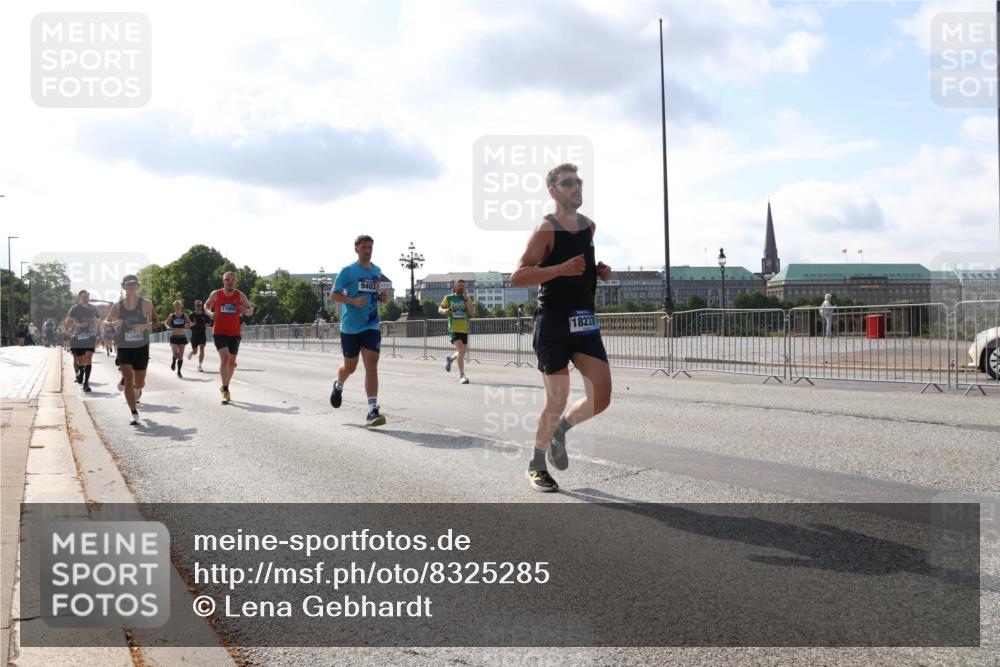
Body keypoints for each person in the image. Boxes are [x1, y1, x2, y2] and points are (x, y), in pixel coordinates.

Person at [510, 163, 613, 492]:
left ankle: (561, 430)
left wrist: (597, 270)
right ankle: (536, 464)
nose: (576, 187)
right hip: (553, 321)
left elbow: (579, 264)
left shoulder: (589, 226)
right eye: (568, 183)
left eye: (578, 182)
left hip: (584, 320)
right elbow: (519, 276)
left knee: (602, 397)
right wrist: (561, 269)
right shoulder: (546, 229)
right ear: (552, 191)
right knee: (558, 396)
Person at [328, 234, 389, 427]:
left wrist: (381, 297)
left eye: (370, 247)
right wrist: (353, 301)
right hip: (351, 327)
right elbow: (334, 294)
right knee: (350, 367)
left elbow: (374, 295)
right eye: (364, 247)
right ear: (356, 248)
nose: (368, 250)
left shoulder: (377, 271)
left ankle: (372, 410)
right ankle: (338, 385)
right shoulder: (348, 271)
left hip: (371, 324)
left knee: (371, 364)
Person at [106, 275, 159, 425]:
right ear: (123, 287)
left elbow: (156, 323)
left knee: (139, 382)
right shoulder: (118, 306)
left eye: (134, 284)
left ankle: (138, 388)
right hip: (124, 346)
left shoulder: (146, 304)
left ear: (138, 286)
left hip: (141, 346)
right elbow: (105, 322)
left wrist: (145, 326)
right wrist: (111, 324)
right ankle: (134, 413)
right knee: (129, 378)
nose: (131, 287)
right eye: (128, 285)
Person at [204, 271, 253, 403]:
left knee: (231, 363)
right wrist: (210, 313)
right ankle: (226, 390)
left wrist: (246, 311)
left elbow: (250, 310)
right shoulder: (216, 294)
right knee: (225, 359)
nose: (230, 281)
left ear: (235, 281)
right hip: (219, 331)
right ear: (223, 281)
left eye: (232, 279)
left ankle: (225, 385)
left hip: (235, 333)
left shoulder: (240, 295)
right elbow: (206, 305)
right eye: (227, 279)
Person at [439, 279, 474, 384]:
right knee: (461, 349)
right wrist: (444, 311)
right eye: (459, 285)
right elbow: (439, 308)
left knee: (462, 352)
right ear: (455, 287)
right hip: (454, 328)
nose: (461, 287)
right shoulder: (449, 298)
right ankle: (462, 375)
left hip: (464, 328)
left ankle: (450, 359)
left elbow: (471, 313)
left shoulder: (466, 299)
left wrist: (466, 298)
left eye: (463, 286)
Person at [65, 291, 100, 392]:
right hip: (78, 337)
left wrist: (96, 322)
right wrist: (79, 325)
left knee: (88, 359)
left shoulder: (93, 308)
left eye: (87, 296)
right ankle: (80, 372)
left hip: (91, 337)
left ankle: (86, 383)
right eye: (84, 297)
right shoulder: (75, 309)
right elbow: (67, 324)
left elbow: (98, 319)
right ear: (80, 297)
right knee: (80, 362)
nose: (86, 298)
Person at [166, 300, 192, 377]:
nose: (178, 307)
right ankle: (174, 361)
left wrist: (188, 325)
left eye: (179, 306)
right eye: (176, 306)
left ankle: (179, 371)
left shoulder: (185, 316)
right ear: (174, 307)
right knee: (176, 353)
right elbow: (166, 323)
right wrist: (168, 327)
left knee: (180, 356)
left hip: (182, 337)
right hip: (174, 337)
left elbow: (190, 323)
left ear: (181, 307)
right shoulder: (172, 316)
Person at [187, 299, 212, 371]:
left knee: (202, 348)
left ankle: (200, 366)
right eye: (197, 305)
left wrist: (207, 324)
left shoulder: (205, 315)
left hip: (202, 334)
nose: (199, 307)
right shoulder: (191, 315)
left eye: (200, 305)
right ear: (195, 306)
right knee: (195, 352)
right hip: (194, 335)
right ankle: (191, 353)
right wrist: (192, 324)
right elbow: (187, 325)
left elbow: (209, 322)